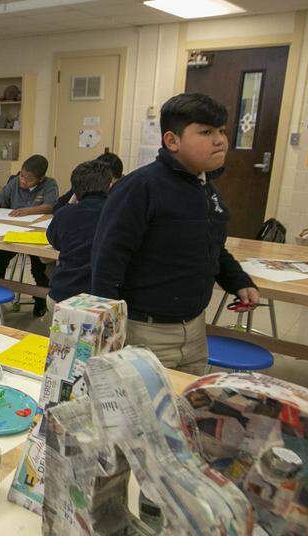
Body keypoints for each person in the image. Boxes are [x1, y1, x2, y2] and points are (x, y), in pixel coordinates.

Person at [91, 93, 258, 374]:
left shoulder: (207, 189)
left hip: (194, 329)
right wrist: (109, 329)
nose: (219, 140)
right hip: (145, 331)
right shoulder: (141, 187)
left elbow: (212, 245)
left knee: (182, 407)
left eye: (222, 131)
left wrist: (238, 280)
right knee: (145, 413)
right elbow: (107, 258)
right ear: (172, 141)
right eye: (206, 131)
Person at [0, 154, 58, 317]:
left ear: (41, 179)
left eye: (28, 179)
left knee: (39, 267)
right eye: (22, 175)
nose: (23, 181)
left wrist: (27, 211)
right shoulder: (14, 181)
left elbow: (50, 206)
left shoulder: (50, 184)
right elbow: (0, 198)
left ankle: (40, 299)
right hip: (14, 232)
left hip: (36, 233)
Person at [45, 160, 113, 309]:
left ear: (74, 190)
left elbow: (53, 240)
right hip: (100, 301)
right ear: (110, 186)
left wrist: (69, 204)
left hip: (61, 295)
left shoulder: (65, 213)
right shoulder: (117, 213)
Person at [51, 151, 124, 213]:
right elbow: (57, 208)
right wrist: (70, 203)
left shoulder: (124, 190)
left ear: (119, 178)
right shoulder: (87, 183)